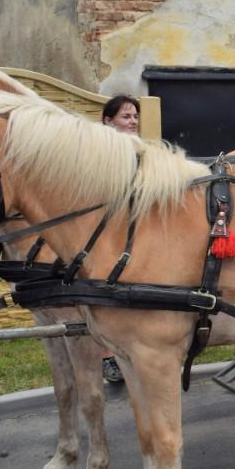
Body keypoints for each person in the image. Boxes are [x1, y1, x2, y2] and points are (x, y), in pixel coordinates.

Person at [100, 95, 140, 384]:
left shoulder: (141, 149)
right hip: (106, 237)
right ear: (107, 121)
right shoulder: (99, 153)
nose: (134, 121)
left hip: (136, 234)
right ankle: (107, 358)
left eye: (135, 116)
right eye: (126, 116)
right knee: (104, 298)